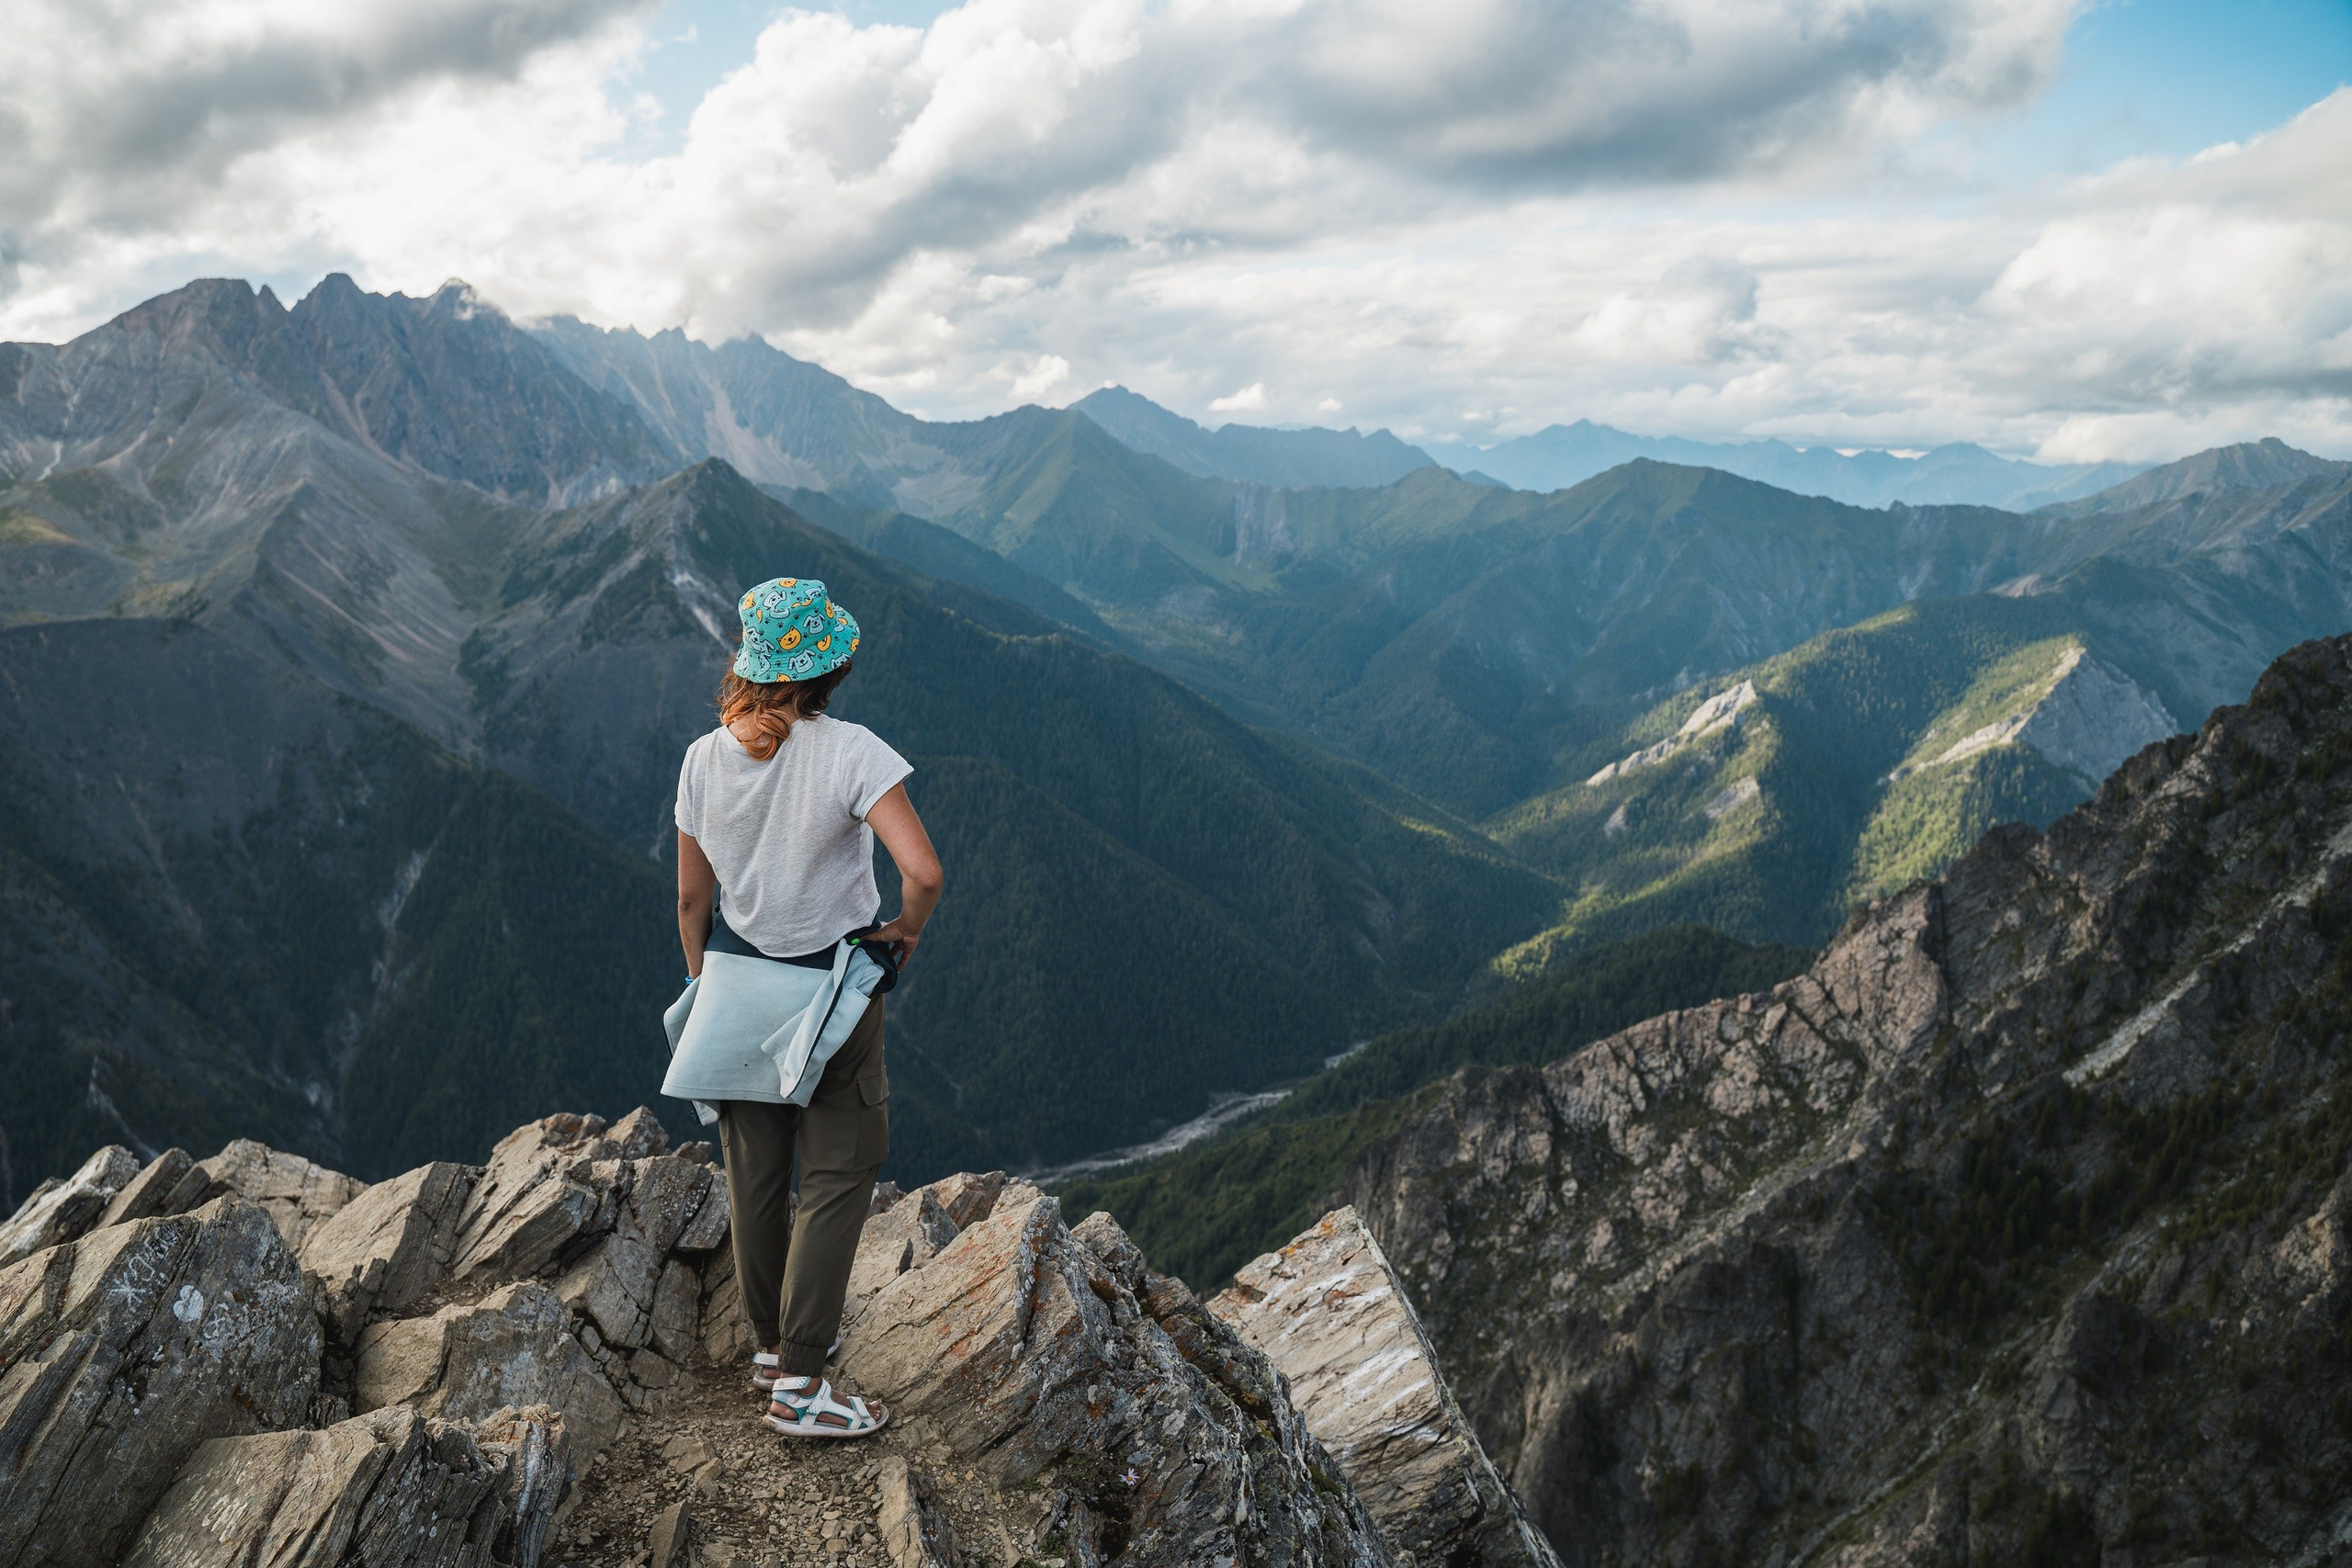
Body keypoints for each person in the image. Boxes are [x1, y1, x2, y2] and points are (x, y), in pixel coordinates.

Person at [660, 576, 942, 1439]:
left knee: (755, 1176)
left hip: (741, 984)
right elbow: (924, 872)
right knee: (838, 1171)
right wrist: (905, 931)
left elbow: (689, 900)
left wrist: (710, 982)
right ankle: (803, 1385)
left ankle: (770, 1346)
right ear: (832, 663)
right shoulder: (853, 751)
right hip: (834, 991)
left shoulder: (705, 757)